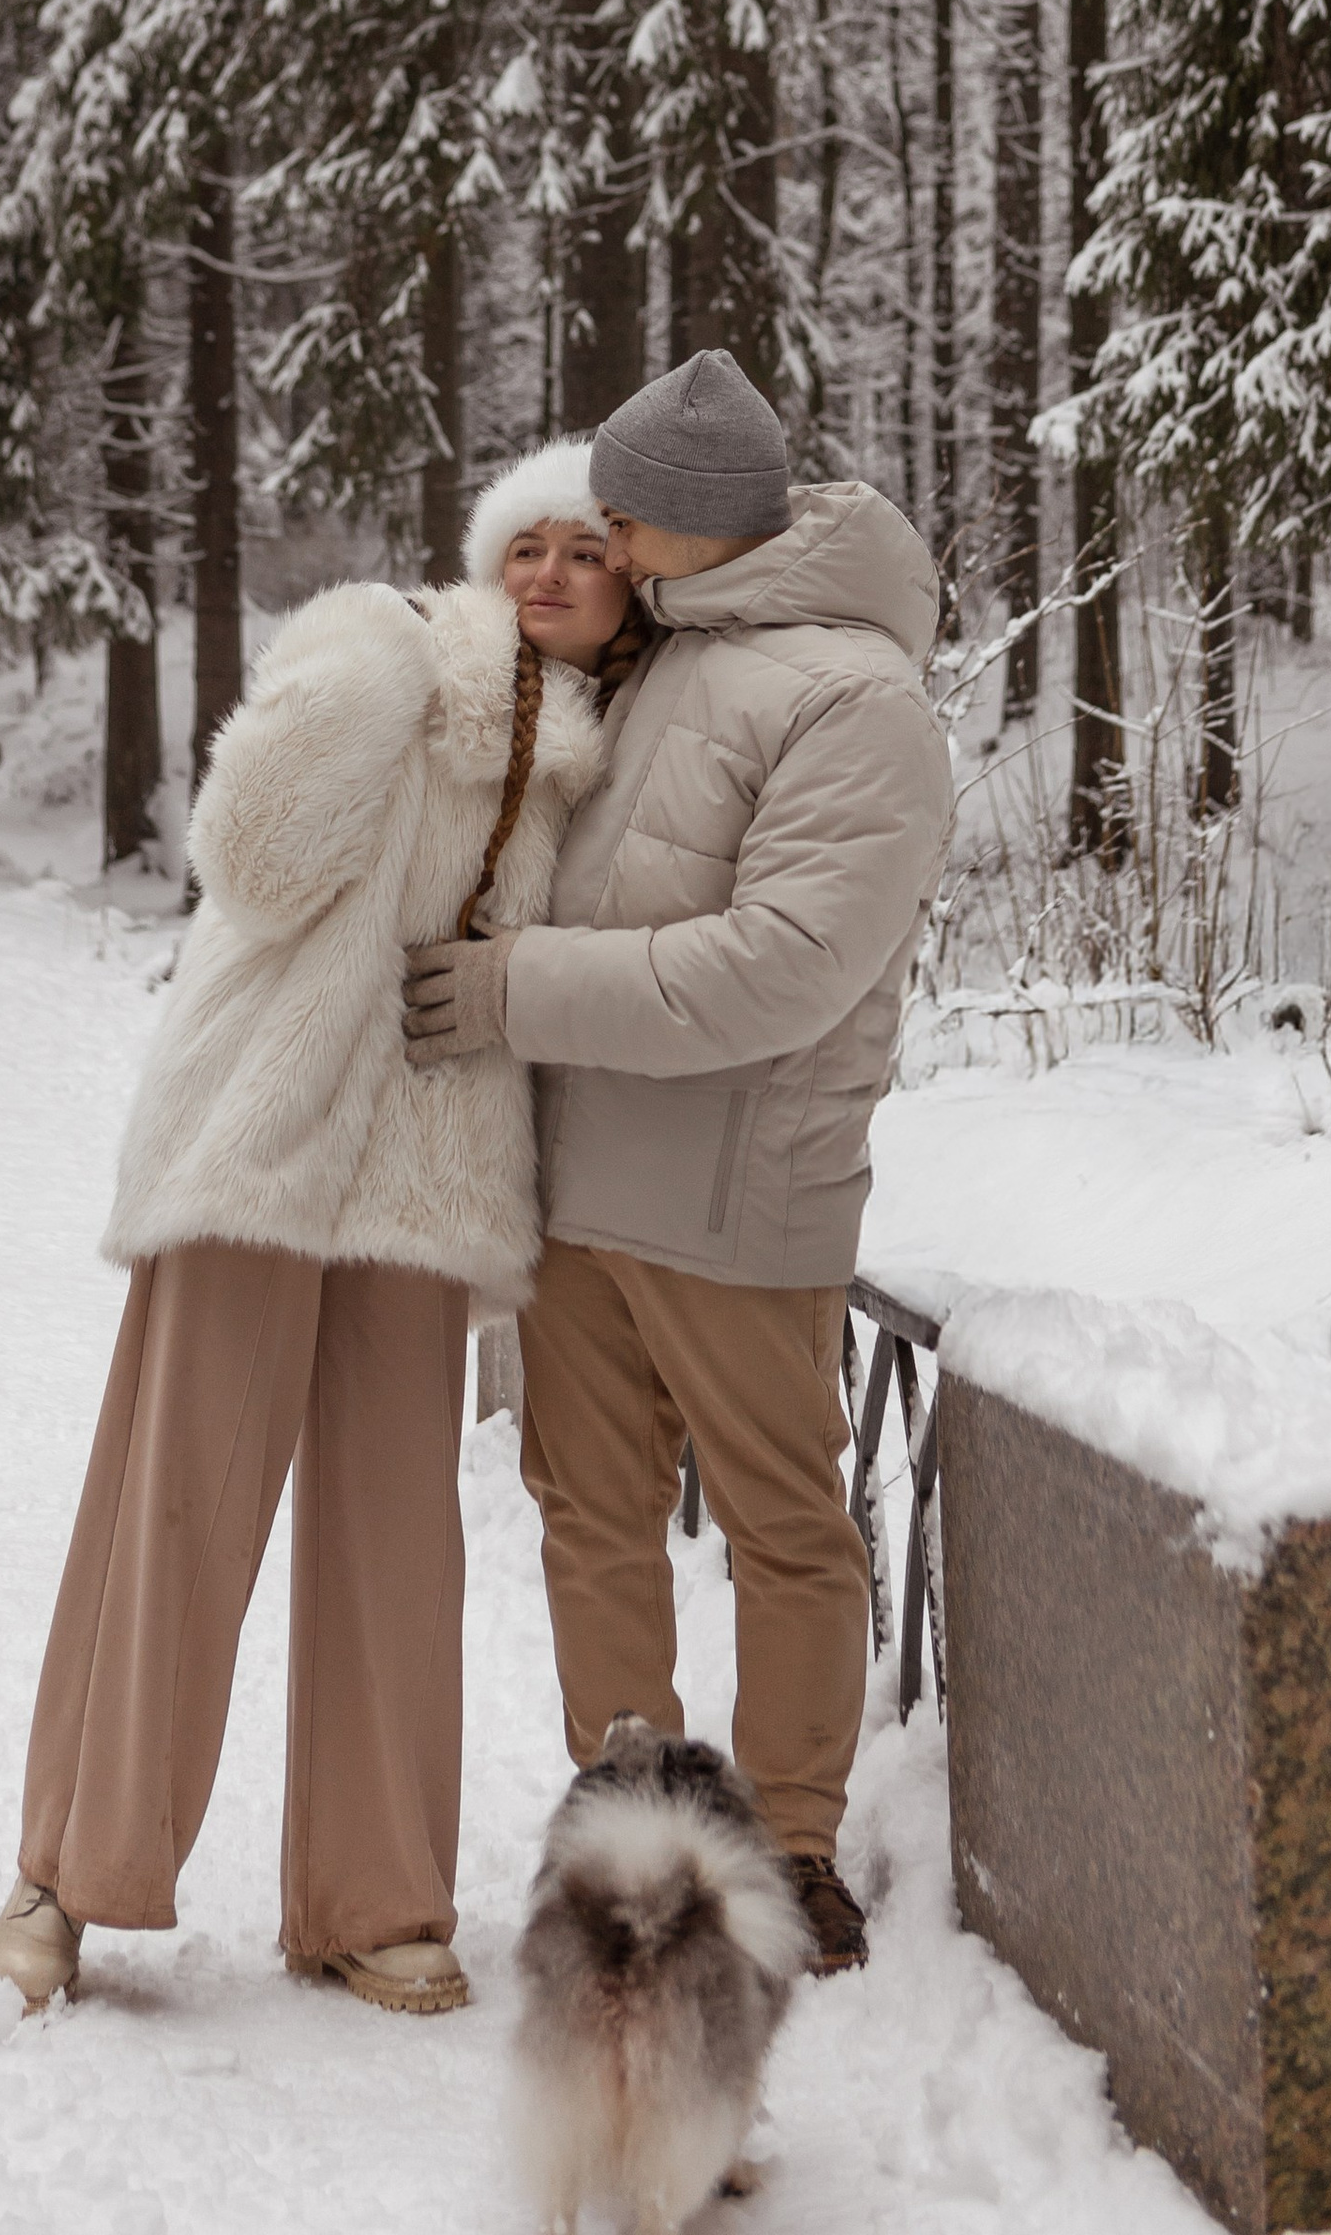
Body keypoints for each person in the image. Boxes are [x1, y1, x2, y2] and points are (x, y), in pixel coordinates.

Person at [0, 439, 636, 2018]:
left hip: (431, 1169)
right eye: (523, 547)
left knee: (398, 1533)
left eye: (585, 555)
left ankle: (376, 1896)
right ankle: (64, 1875)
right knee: (179, 1505)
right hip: (265, 1137)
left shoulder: (594, 756)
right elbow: (248, 859)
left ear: (628, 593)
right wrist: (360, 677)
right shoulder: (392, 647)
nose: (546, 575)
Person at [403, 350, 953, 1976]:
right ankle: (632, 1817)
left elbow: (778, 967)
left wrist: (512, 990)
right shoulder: (662, 656)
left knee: (786, 1526)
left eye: (629, 517)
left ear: (704, 526)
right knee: (590, 1509)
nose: (608, 542)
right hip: (581, 1182)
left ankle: (791, 1845)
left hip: (735, 1194)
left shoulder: (858, 703)